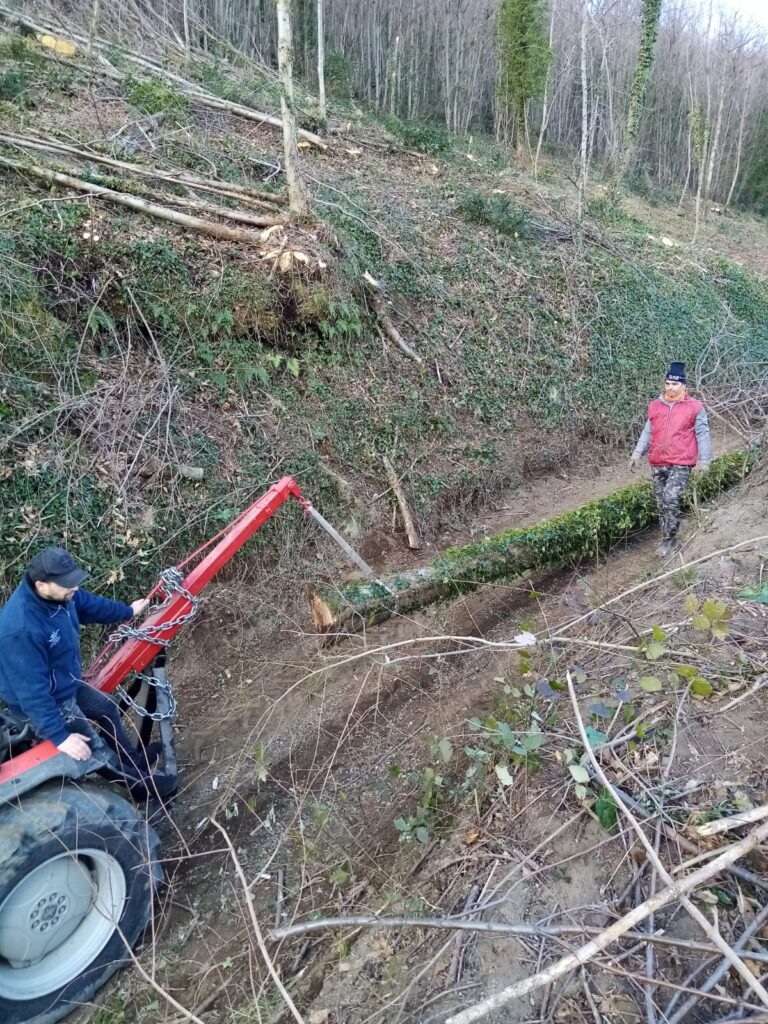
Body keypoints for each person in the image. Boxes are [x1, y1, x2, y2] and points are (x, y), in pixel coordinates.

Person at [0, 546, 171, 796]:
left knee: (107, 709)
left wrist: (127, 611)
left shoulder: (61, 595)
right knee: (93, 746)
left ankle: (135, 763)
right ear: (41, 585)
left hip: (65, 681)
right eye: (67, 584)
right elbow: (31, 693)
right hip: (47, 701)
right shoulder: (20, 629)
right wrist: (60, 736)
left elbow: (89, 605)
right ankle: (143, 788)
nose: (75, 588)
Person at [629, 362, 712, 557]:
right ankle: (666, 536)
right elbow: (647, 431)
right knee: (661, 502)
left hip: (681, 462)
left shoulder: (695, 407)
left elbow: (703, 434)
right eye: (667, 383)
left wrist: (705, 460)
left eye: (674, 384)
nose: (670, 388)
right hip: (658, 461)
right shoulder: (655, 406)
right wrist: (636, 453)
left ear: (684, 386)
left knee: (671, 497)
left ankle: (670, 540)